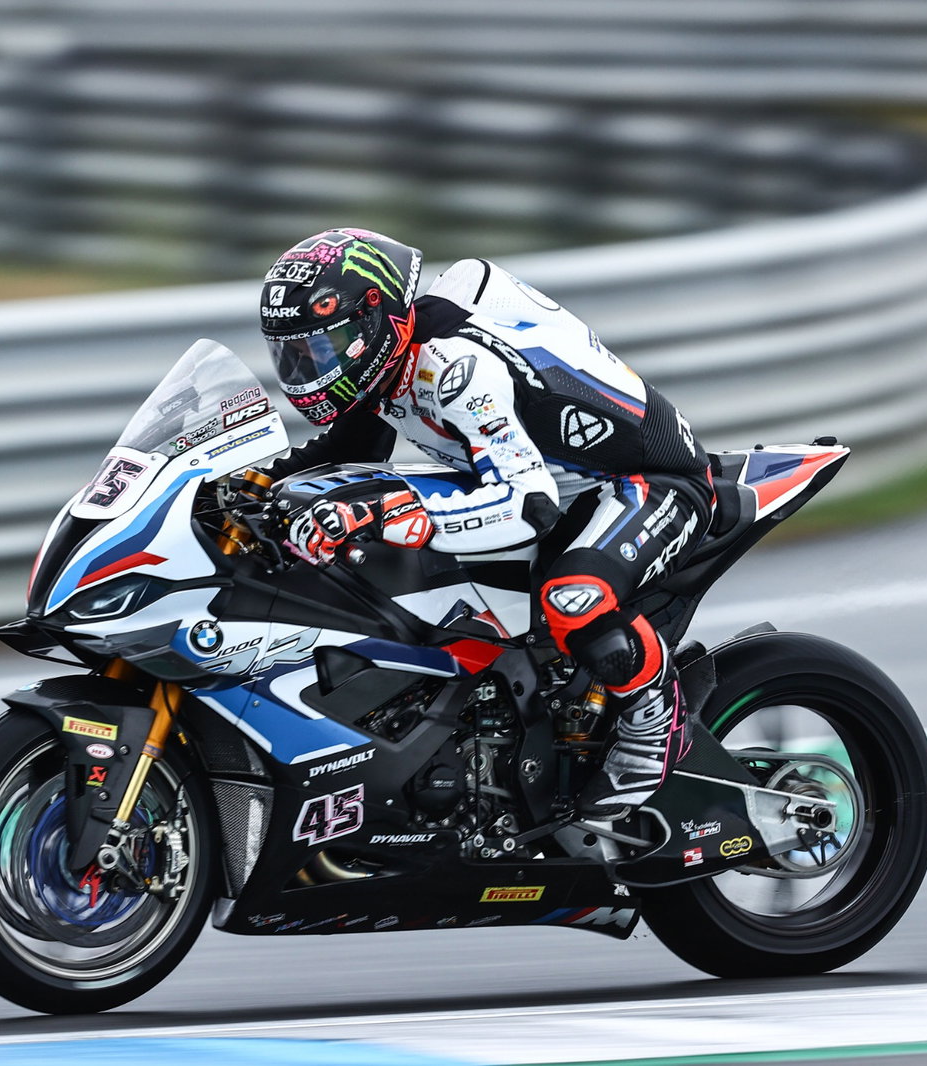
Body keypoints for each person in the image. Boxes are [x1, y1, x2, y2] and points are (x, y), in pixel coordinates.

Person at [257, 227, 713, 821]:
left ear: (376, 319)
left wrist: (392, 514)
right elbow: (350, 448)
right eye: (294, 355)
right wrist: (247, 486)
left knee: (575, 598)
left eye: (321, 349)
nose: (308, 369)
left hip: (645, 482)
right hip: (561, 485)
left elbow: (528, 505)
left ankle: (656, 722)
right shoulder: (386, 363)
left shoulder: (458, 368)